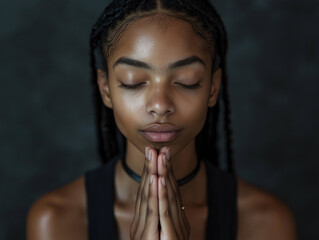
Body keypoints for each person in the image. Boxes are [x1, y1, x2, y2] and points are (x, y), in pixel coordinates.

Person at [26, 0, 297, 239]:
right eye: (133, 82)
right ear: (105, 88)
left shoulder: (265, 222)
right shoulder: (57, 221)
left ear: (213, 88)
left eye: (186, 81)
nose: (160, 105)